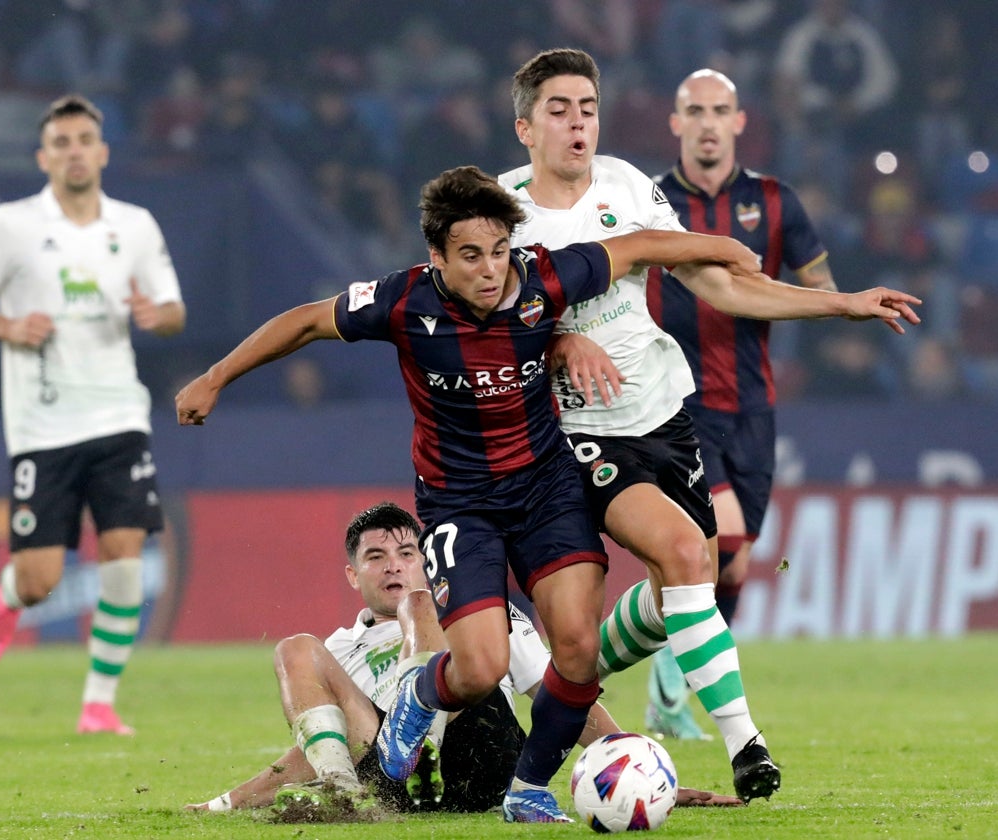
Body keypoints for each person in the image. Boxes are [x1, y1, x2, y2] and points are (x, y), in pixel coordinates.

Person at [175, 163, 791, 821]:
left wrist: (716, 246)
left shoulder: (542, 278)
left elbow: (637, 247)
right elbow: (303, 322)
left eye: (499, 251)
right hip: (460, 503)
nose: (491, 269)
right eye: (471, 255)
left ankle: (528, 790)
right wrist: (216, 377)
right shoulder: (404, 300)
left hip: (547, 488)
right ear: (437, 256)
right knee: (478, 668)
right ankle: (420, 696)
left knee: (578, 652)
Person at [496, 49, 919, 800]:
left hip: (665, 412)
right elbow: (478, 321)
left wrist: (841, 302)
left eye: (588, 108)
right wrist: (556, 338)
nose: (578, 123)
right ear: (525, 126)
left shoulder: (627, 186)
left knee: (678, 591)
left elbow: (720, 282)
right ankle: (746, 744)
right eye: (560, 110)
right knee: (692, 552)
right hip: (579, 430)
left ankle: (566, 679)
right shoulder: (501, 210)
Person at [184, 502, 743, 817]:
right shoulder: (340, 649)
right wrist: (225, 802)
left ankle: (421, 730)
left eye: (406, 553)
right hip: (399, 782)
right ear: (353, 576)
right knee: (294, 649)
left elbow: (555, 689)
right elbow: (321, 739)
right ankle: (345, 795)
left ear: (427, 560)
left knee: (423, 609)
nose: (393, 567)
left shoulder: (476, 616)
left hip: (485, 752)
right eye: (375, 558)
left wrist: (629, 765)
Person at [0, 93, 185, 736]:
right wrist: (8, 325)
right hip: (41, 425)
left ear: (102, 152)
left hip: (118, 415)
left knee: (125, 556)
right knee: (41, 579)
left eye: (85, 140)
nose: (74, 151)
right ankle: (8, 596)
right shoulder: (11, 225)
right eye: (62, 142)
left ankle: (98, 703)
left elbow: (172, 310)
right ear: (43, 156)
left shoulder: (134, 225)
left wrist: (160, 317)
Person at [642, 66, 843, 739]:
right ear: (675, 123)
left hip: (754, 404)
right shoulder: (648, 203)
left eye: (718, 109)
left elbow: (818, 282)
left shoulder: (776, 203)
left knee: (736, 560)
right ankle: (672, 687)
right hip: (679, 401)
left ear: (738, 121)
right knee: (717, 536)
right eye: (692, 110)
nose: (705, 122)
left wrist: (839, 306)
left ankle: (670, 682)